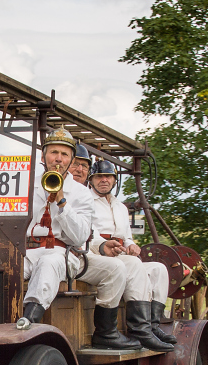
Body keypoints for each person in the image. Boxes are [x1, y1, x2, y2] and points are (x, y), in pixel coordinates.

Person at [20, 129, 139, 350]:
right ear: (44, 156)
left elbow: (80, 236)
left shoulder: (82, 193)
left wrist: (62, 202)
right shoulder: (26, 185)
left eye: (64, 155)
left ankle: (30, 322)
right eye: (53, 152)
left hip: (64, 253)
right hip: (27, 250)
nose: (58, 159)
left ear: (71, 159)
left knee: (52, 262)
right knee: (3, 266)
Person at [85, 160, 177, 349]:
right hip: (98, 254)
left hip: (120, 254)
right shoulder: (85, 201)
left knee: (159, 269)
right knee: (134, 265)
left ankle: (152, 325)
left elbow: (126, 237)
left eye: (108, 176)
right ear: (91, 180)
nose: (104, 180)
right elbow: (88, 235)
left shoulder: (120, 207)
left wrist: (132, 245)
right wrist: (103, 246)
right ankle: (139, 330)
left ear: (114, 180)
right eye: (99, 177)